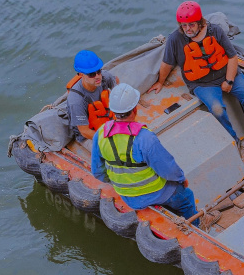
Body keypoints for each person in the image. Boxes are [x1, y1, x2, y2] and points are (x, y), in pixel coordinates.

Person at [148, 0, 244, 151]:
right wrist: (160, 82)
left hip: (227, 73)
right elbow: (167, 63)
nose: (187, 29)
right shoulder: (175, 39)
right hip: (202, 83)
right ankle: (233, 141)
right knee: (217, 109)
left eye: (191, 25)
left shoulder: (215, 31)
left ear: (199, 22)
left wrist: (229, 80)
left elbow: (232, 57)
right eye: (184, 25)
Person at [91, 83, 215, 228]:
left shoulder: (100, 134)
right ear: (135, 109)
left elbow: (97, 172)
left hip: (128, 196)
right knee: (186, 197)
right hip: (155, 192)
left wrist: (120, 184)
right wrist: (181, 179)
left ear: (113, 111)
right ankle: (197, 225)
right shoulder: (144, 138)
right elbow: (168, 169)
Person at [67, 50, 119, 148]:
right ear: (81, 74)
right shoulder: (76, 100)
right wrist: (108, 139)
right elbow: (84, 131)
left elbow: (116, 82)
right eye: (91, 74)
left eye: (98, 71)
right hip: (89, 135)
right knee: (113, 150)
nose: (97, 76)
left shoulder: (105, 77)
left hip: (107, 120)